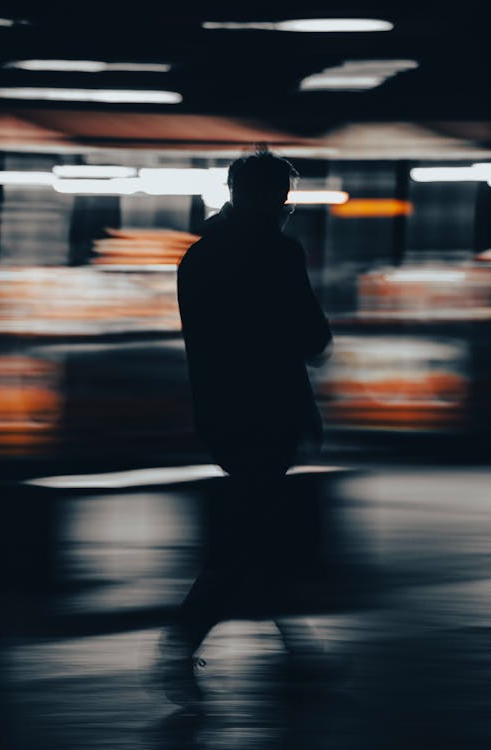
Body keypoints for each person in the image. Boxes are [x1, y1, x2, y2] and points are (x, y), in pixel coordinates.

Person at [152, 150, 333, 707]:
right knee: (246, 538)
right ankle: (179, 646)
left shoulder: (199, 256)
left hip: (219, 413)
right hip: (270, 413)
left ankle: (297, 652)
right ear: (279, 197)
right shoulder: (278, 252)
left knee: (255, 528)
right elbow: (313, 339)